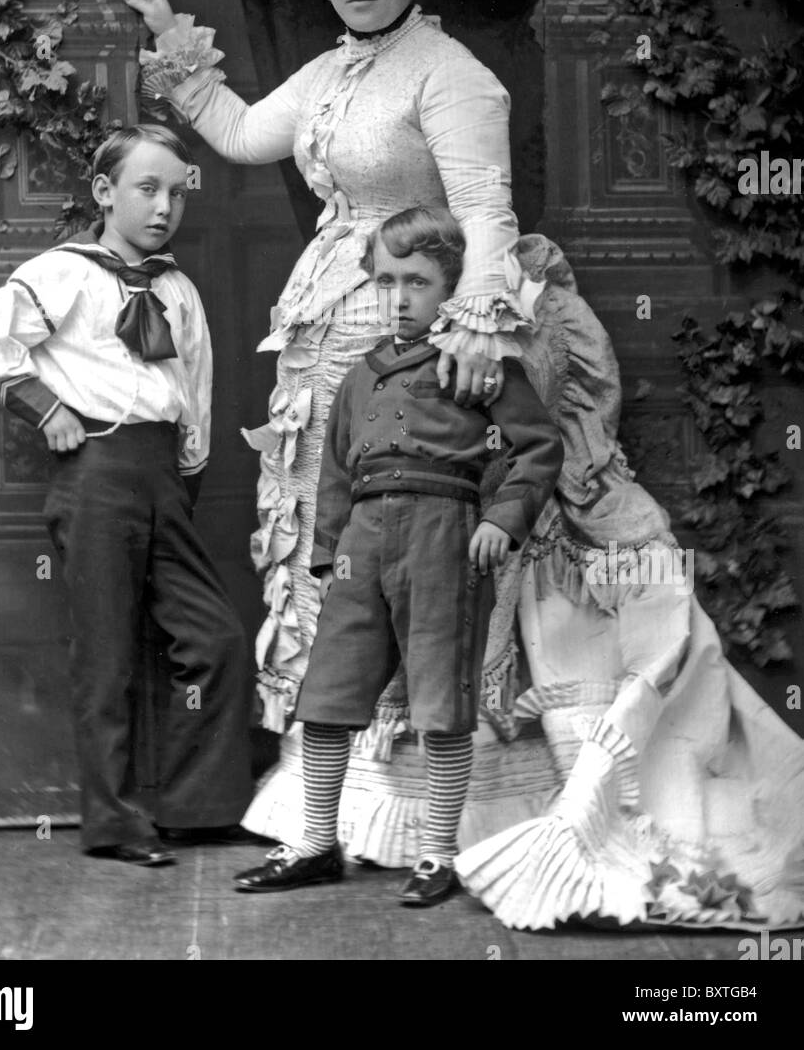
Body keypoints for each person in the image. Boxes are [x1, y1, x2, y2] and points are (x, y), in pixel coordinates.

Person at [127, 0, 804, 928]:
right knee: (330, 562)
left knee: (424, 588)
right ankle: (334, 819)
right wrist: (178, 54)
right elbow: (247, 134)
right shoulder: (336, 70)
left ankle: (439, 824)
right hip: (325, 346)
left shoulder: (453, 77)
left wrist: (476, 329)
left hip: (419, 333)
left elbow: (485, 217)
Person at [233, 207, 563, 904]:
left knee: (439, 700)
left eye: (416, 281)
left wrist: (501, 518)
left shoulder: (478, 363)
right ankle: (315, 843)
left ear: (451, 287)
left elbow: (538, 448)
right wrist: (326, 559)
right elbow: (331, 472)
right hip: (362, 544)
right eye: (385, 282)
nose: (398, 298)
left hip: (442, 536)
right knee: (326, 697)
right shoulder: (358, 375)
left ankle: (437, 855)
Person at [0, 123, 253, 866]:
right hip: (95, 477)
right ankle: (116, 824)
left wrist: (184, 478)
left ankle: (195, 809)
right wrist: (45, 409)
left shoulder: (177, 289)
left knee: (215, 641)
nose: (163, 208)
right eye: (145, 189)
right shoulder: (65, 273)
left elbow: (197, 394)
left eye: (175, 193)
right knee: (108, 655)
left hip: (163, 478)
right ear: (103, 193)